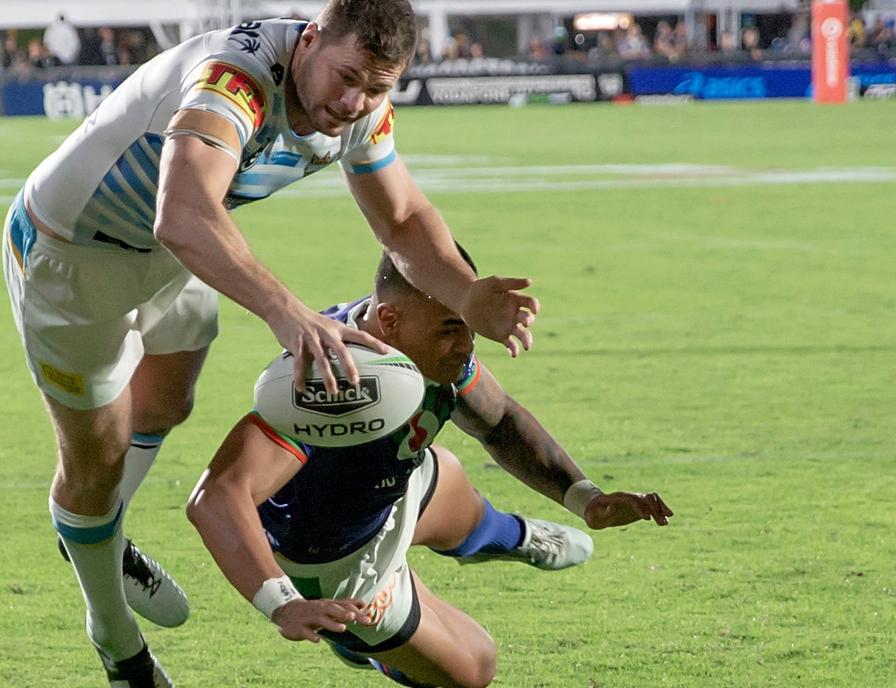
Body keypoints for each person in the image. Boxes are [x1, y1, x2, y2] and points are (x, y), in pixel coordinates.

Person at [1, 0, 539, 687]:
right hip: (71, 261)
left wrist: (467, 293)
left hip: (161, 256)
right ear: (310, 39)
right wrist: (288, 312)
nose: (352, 103)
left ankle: (94, 538)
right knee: (93, 468)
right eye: (346, 78)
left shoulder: (359, 105)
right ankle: (115, 636)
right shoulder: (235, 80)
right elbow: (185, 212)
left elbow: (402, 220)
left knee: (168, 398)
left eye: (374, 90)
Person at [188, 249, 672, 687]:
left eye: (467, 325)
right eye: (450, 329)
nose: (466, 346)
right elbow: (216, 498)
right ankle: (368, 649)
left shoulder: (422, 327)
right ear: (389, 321)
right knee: (474, 669)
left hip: (393, 485)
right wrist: (283, 604)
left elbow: (498, 419)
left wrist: (585, 497)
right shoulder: (331, 382)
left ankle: (514, 535)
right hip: (338, 562)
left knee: (448, 475)